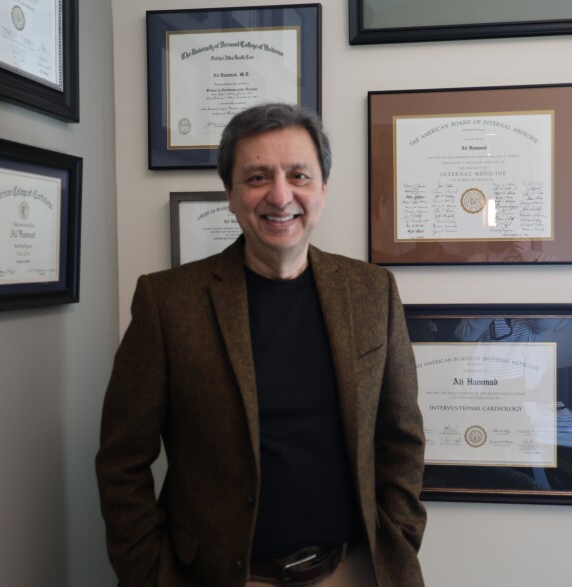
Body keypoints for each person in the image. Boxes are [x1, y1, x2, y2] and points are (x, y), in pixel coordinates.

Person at [96, 103, 426, 587]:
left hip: (353, 570)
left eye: (298, 175)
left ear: (322, 190)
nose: (280, 195)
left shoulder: (372, 291)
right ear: (230, 194)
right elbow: (122, 459)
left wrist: (397, 536)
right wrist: (150, 574)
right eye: (256, 177)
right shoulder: (167, 304)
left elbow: (402, 437)